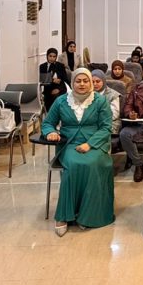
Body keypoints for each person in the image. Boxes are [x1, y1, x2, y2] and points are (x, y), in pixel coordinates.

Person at [41, 68, 115, 235]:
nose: (82, 84)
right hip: (69, 144)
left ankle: (88, 215)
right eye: (78, 81)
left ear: (90, 83)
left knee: (92, 163)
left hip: (96, 143)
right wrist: (50, 132)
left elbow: (106, 127)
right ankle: (64, 215)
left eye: (86, 81)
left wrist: (90, 144)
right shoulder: (61, 101)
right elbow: (47, 123)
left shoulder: (100, 101)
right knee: (74, 165)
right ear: (72, 82)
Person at [91, 69, 122, 135]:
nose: (95, 84)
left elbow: (114, 115)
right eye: (92, 82)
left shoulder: (113, 95)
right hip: (92, 123)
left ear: (103, 81)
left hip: (110, 123)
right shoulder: (88, 94)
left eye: (98, 81)